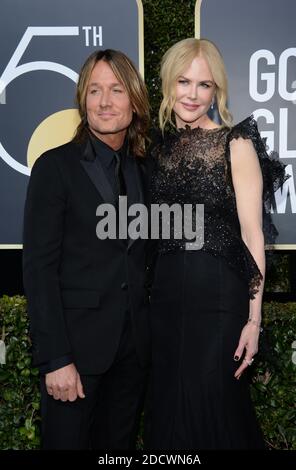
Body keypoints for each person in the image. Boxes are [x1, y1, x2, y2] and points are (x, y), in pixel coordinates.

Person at [145, 38, 287, 449]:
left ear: (216, 91)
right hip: (166, 299)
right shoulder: (154, 147)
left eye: (204, 85)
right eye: (183, 82)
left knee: (216, 403)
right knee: (168, 405)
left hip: (220, 298)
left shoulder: (235, 143)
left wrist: (253, 320)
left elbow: (253, 234)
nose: (192, 94)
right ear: (169, 84)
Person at [23, 49, 151, 449]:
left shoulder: (145, 168)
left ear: (134, 99)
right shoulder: (54, 167)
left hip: (132, 356)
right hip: (74, 357)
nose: (104, 101)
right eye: (94, 90)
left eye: (115, 89)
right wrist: (56, 358)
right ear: (82, 100)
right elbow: (39, 269)